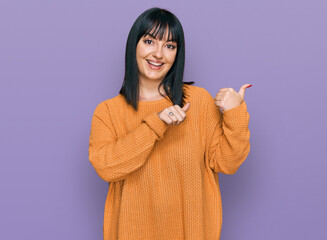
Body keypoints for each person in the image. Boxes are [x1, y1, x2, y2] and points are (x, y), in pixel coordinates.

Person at [88, 7, 252, 240]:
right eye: (149, 41)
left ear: (177, 54)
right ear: (133, 45)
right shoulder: (108, 112)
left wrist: (235, 113)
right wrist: (155, 124)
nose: (158, 54)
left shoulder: (199, 102)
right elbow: (107, 167)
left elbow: (227, 163)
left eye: (170, 46)